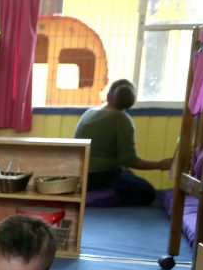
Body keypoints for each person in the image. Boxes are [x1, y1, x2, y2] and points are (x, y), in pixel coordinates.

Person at [74, 78, 174, 207]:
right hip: (99, 176)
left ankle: (95, 192)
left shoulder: (90, 112)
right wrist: (159, 165)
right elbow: (130, 161)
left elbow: (101, 151)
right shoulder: (121, 119)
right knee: (148, 193)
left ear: (108, 96)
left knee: (127, 177)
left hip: (79, 173)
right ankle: (99, 196)